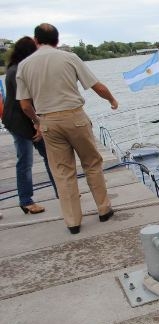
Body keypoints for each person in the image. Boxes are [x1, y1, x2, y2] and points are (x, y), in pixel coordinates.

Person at [16, 23, 118, 234]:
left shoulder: (24, 65)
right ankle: (103, 209)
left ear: (36, 40)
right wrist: (112, 100)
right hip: (75, 116)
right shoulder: (69, 57)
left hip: (48, 121)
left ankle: (73, 222)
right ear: (57, 40)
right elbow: (96, 86)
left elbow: (24, 105)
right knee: (92, 163)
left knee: (63, 173)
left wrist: (37, 121)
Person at [1, 36, 58, 214]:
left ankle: (61, 190)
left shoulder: (19, 68)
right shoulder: (17, 71)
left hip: (27, 117)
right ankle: (26, 200)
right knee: (25, 160)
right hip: (18, 121)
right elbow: (25, 104)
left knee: (49, 155)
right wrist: (36, 122)